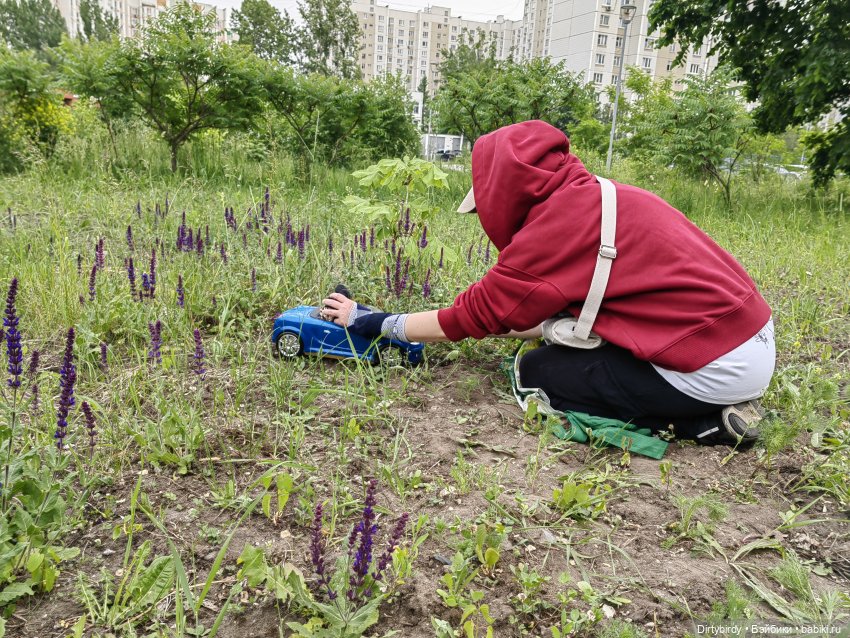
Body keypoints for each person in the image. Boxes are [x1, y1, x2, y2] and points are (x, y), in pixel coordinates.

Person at [321, 120, 775, 446]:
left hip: (712, 363)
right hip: (743, 336)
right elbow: (540, 318)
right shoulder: (600, 197)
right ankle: (708, 401)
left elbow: (477, 316)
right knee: (561, 346)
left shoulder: (556, 228)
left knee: (540, 374)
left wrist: (377, 322)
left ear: (504, 192)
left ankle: (705, 425)